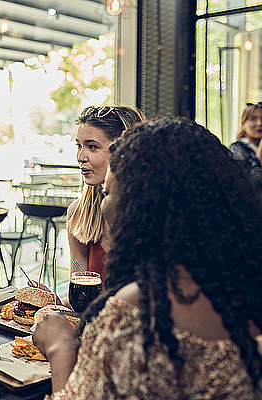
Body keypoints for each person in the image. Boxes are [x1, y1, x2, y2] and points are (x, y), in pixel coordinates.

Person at [33, 118, 262, 399]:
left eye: (107, 193)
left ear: (139, 208)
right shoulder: (245, 286)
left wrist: (60, 347)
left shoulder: (134, 313)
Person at [67, 105, 145, 276]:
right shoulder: (79, 213)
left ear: (124, 152)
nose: (80, 157)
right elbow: (79, 293)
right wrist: (55, 300)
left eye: (92, 147)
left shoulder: (152, 217)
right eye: (79, 146)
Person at [229, 102, 262, 196]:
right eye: (253, 119)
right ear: (243, 124)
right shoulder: (237, 149)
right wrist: (259, 158)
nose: (259, 123)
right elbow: (248, 186)